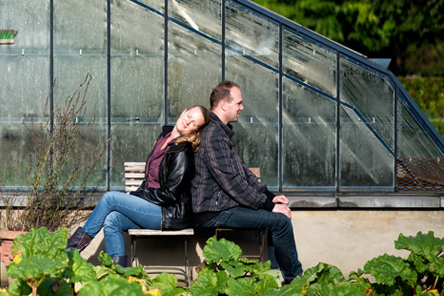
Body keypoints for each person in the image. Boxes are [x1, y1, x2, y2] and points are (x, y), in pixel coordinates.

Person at [65, 106, 210, 267]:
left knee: (110, 198)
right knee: (113, 220)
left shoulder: (183, 151)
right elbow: (151, 179)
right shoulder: (164, 139)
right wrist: (137, 193)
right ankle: (119, 277)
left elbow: (169, 194)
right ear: (184, 111)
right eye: (189, 115)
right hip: (154, 207)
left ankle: (70, 253)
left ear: (195, 131)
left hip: (168, 213)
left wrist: (136, 195)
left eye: (193, 123)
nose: (187, 121)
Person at [191, 81, 303, 282]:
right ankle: (295, 280)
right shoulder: (213, 135)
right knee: (280, 222)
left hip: (222, 206)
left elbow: (243, 173)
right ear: (224, 105)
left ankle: (275, 280)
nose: (242, 107)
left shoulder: (221, 133)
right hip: (213, 210)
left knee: (274, 218)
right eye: (239, 103)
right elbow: (232, 183)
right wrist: (269, 205)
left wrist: (271, 198)